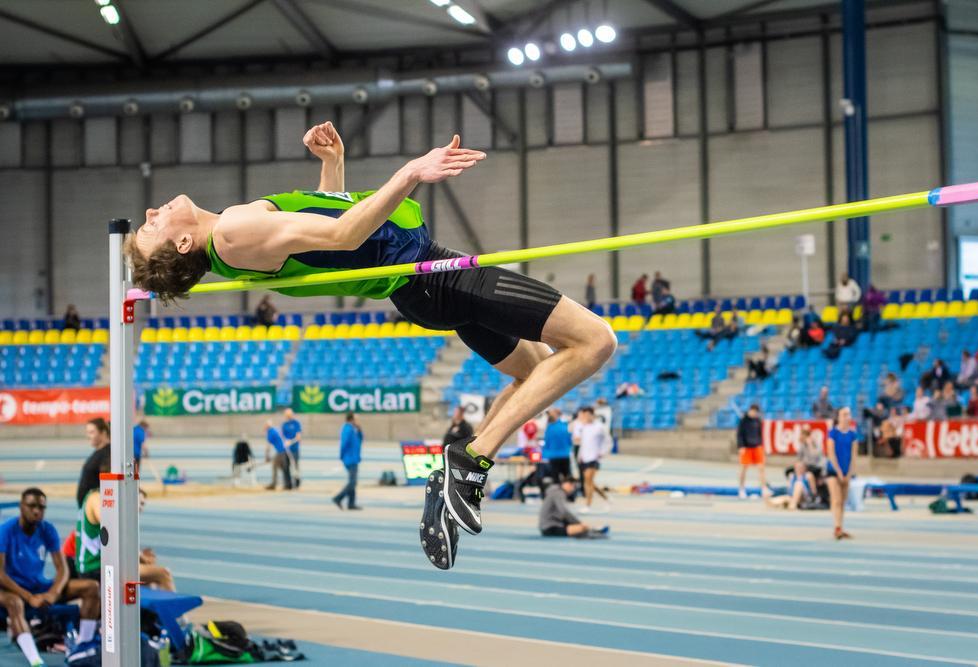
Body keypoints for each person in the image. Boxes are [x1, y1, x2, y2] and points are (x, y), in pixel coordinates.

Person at [123, 121, 617, 568]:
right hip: (427, 277)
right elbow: (341, 234)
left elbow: (321, 236)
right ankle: (470, 460)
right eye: (151, 227)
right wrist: (412, 172)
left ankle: (455, 476)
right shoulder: (232, 231)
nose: (150, 211)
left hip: (422, 283)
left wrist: (332, 167)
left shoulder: (232, 236)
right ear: (183, 245)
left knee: (534, 374)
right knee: (594, 341)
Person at [0, 489, 101, 665]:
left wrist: (53, 593)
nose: (37, 511)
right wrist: (29, 597)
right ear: (21, 507)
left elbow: (62, 569)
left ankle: (83, 644)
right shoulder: (6, 530)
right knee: (14, 602)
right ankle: (36, 660)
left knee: (91, 587)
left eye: (41, 507)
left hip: (37, 586)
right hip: (9, 589)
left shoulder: (47, 529)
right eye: (31, 506)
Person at [826, 407, 859, 540]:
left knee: (843, 501)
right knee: (836, 499)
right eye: (844, 414)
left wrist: (849, 473)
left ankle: (840, 526)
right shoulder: (833, 433)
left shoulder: (853, 435)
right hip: (833, 471)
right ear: (838, 417)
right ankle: (837, 527)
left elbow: (854, 455)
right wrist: (839, 471)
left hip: (847, 471)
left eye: (848, 414)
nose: (847, 417)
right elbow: (831, 453)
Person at [539, 476, 608, 538]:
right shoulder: (558, 493)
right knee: (582, 528)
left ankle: (589, 530)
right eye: (573, 486)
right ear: (568, 484)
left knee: (581, 527)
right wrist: (578, 523)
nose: (573, 490)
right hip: (551, 528)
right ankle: (589, 531)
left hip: (551, 525)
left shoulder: (556, 492)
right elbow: (564, 512)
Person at [576, 406, 611, 513]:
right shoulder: (582, 427)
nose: (585, 417)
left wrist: (602, 452)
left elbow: (608, 441)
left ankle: (588, 505)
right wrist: (579, 455)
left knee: (587, 481)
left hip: (594, 457)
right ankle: (606, 498)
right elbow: (580, 442)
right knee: (590, 482)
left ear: (592, 415)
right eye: (584, 415)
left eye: (587, 415)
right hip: (584, 457)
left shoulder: (600, 427)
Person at [736, 404, 770, 499]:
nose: (754, 413)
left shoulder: (757, 421)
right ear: (750, 410)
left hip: (757, 446)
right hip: (746, 447)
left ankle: (764, 488)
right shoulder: (743, 421)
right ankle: (741, 489)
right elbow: (739, 434)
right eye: (753, 411)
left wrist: (761, 445)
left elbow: (760, 434)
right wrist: (741, 446)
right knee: (743, 469)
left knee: (761, 468)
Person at [76, 417, 111, 507]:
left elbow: (108, 484)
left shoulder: (108, 453)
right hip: (88, 508)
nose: (88, 436)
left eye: (91, 432)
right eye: (87, 432)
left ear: (103, 433)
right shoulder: (99, 452)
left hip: (96, 510)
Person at [333, 412, 363, 510]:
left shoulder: (354, 429)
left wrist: (359, 430)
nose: (358, 421)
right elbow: (344, 444)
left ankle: (351, 503)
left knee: (352, 481)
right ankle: (338, 498)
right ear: (351, 419)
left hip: (354, 458)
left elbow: (360, 440)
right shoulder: (347, 429)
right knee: (353, 482)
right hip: (350, 458)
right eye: (356, 419)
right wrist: (342, 456)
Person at [542, 408, 573, 481]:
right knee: (567, 479)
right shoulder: (565, 426)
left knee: (556, 479)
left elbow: (547, 443)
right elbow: (570, 442)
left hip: (554, 456)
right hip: (564, 455)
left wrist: (544, 455)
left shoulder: (550, 428)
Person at [264, 420, 292, 491]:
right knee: (284, 468)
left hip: (280, 451)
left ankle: (274, 484)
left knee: (275, 466)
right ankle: (288, 484)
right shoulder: (276, 429)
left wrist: (267, 457)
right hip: (285, 450)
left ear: (267, 426)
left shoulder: (270, 432)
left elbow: (268, 446)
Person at [281, 408, 303, 488]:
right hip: (286, 449)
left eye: (289, 414)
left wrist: (292, 441)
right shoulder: (284, 424)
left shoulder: (296, 423)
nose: (288, 416)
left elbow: (298, 436)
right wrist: (285, 442)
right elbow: (282, 436)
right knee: (286, 466)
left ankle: (297, 482)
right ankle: (288, 484)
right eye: (286, 414)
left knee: (295, 466)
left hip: (294, 448)